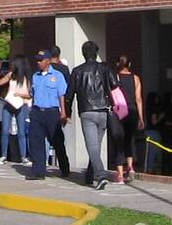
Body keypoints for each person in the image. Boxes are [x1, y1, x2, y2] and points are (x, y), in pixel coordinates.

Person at [74, 40, 117, 191]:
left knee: (92, 147)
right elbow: (114, 85)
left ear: (83, 54)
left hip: (87, 111)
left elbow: (69, 93)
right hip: (103, 110)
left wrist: (65, 112)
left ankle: (100, 175)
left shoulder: (77, 71)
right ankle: (89, 174)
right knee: (96, 146)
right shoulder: (105, 68)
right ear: (96, 53)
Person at [26, 50, 69, 181]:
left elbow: (61, 94)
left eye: (41, 60)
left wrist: (63, 112)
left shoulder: (57, 76)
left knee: (57, 141)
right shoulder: (35, 76)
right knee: (35, 142)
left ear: (48, 61)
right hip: (37, 111)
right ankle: (38, 171)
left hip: (52, 112)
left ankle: (64, 168)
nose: (38, 63)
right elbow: (32, 93)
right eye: (38, 60)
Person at [109, 56, 144, 185]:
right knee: (129, 139)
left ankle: (120, 174)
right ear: (130, 64)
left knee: (119, 141)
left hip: (119, 112)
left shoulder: (115, 77)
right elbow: (139, 99)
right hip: (132, 111)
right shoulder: (135, 78)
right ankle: (130, 167)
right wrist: (141, 117)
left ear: (118, 64)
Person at [0, 57, 31, 164]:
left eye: (13, 64)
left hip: (20, 105)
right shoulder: (11, 75)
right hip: (9, 104)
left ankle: (24, 156)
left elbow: (30, 95)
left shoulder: (26, 78)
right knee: (5, 130)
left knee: (21, 131)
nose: (11, 66)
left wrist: (19, 94)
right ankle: (3, 155)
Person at [48, 45, 72, 178]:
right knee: (59, 139)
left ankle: (46, 162)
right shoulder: (64, 69)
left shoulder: (46, 69)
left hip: (48, 107)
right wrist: (68, 112)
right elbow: (67, 92)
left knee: (46, 139)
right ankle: (63, 166)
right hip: (60, 108)